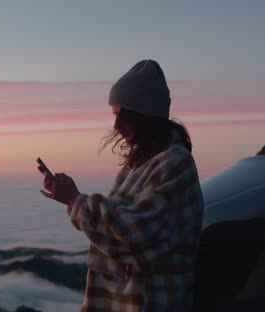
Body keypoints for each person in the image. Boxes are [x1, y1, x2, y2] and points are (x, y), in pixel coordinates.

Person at [40, 59, 204, 312]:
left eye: (121, 115)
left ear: (144, 115)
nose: (116, 126)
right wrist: (72, 199)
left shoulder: (175, 164)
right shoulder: (140, 164)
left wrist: (76, 201)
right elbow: (118, 223)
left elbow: (136, 236)